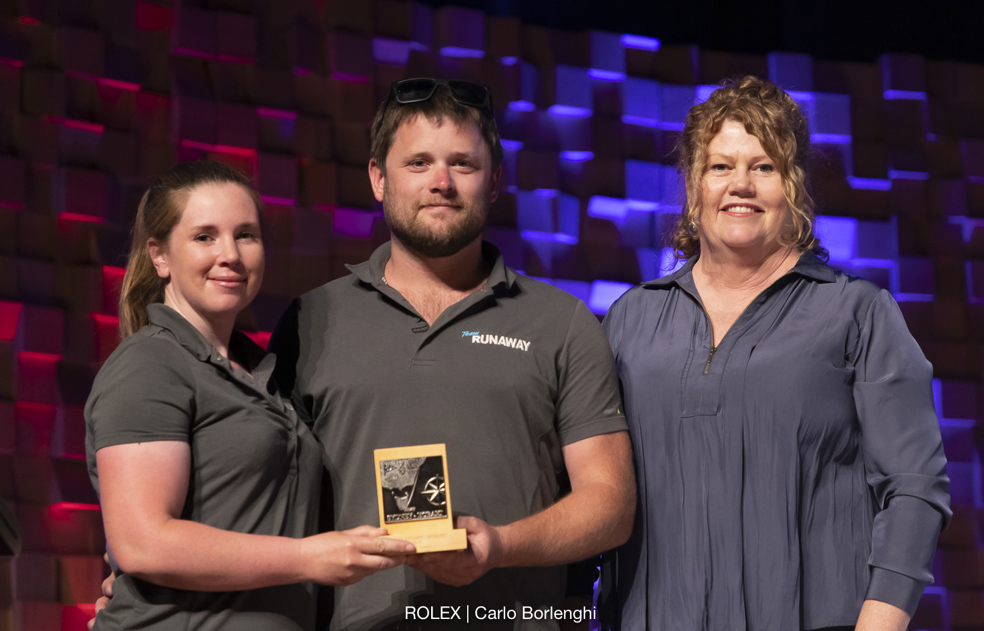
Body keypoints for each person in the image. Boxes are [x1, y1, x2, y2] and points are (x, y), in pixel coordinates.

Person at [269, 78, 636, 630]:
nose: (440, 182)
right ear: (377, 178)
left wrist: (500, 545)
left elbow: (610, 505)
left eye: (462, 163)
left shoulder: (561, 323)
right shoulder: (311, 321)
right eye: (418, 162)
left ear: (494, 183)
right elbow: (260, 487)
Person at [598, 76, 951, 631]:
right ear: (692, 188)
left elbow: (915, 489)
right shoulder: (629, 321)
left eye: (764, 167)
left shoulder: (857, 313)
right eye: (720, 167)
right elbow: (594, 493)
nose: (741, 184)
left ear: (795, 187)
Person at [85, 160, 413, 630]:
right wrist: (307, 557)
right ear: (160, 256)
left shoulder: (265, 371)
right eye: (204, 236)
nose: (230, 254)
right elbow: (143, 543)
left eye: (246, 235)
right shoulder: (151, 364)